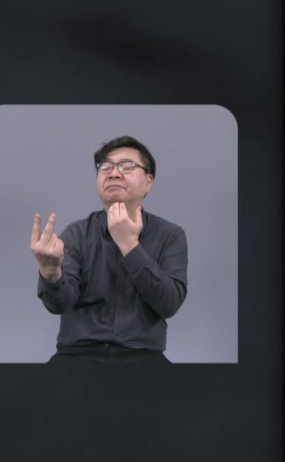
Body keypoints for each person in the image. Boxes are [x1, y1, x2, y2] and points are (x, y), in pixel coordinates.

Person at [30, 136, 189, 363]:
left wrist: (129, 245)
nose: (114, 173)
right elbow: (59, 305)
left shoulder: (170, 235)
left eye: (127, 166)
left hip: (143, 357)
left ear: (148, 182)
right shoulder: (76, 233)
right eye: (105, 167)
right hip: (77, 355)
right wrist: (50, 272)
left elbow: (169, 304)